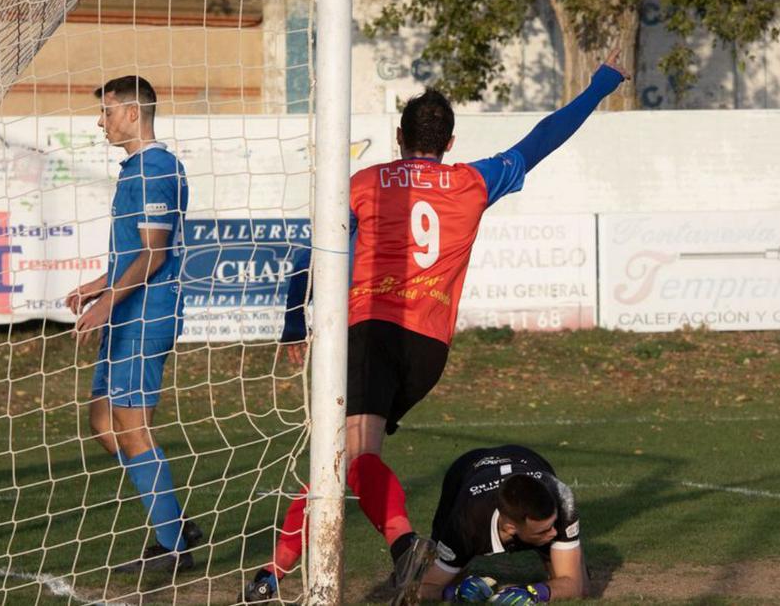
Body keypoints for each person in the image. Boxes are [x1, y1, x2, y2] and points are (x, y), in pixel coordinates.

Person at [244, 53, 628, 605]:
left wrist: (290, 324)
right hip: (428, 349)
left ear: (398, 136)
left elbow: (312, 253)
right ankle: (276, 569)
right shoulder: (473, 180)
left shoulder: (365, 181)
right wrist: (601, 84)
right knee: (341, 458)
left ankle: (405, 549)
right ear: (450, 142)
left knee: (355, 455)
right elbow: (544, 138)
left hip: (370, 330)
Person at [65, 75, 198, 574]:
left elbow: (155, 253)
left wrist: (107, 302)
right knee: (103, 423)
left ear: (131, 113)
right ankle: (175, 522)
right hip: (124, 311)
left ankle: (173, 547)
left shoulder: (155, 168)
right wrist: (98, 287)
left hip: (145, 315)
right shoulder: (135, 169)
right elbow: (131, 253)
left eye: (107, 111)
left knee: (132, 429)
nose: (101, 122)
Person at [419, 445, 585, 604]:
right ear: (510, 528)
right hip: (467, 468)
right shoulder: (465, 524)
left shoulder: (561, 498)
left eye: (553, 524)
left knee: (571, 584)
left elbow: (574, 585)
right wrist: (454, 593)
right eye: (543, 531)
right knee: (452, 575)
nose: (554, 533)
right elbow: (423, 588)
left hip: (525, 457)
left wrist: (532, 592)